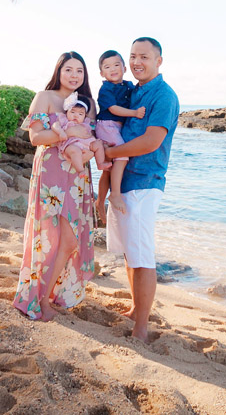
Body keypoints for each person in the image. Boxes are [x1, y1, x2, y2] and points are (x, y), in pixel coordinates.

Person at [104, 38, 179, 342]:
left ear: (159, 61)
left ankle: (142, 327)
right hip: (124, 183)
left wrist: (108, 154)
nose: (137, 62)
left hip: (146, 181)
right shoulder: (132, 92)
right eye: (133, 56)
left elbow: (151, 141)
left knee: (143, 255)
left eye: (144, 57)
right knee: (129, 251)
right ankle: (137, 308)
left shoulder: (164, 95)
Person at [13, 51, 97, 322]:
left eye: (79, 71)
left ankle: (48, 293)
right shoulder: (45, 97)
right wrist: (69, 132)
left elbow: (92, 140)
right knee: (48, 237)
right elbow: (36, 138)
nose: (74, 76)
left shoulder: (89, 104)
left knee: (70, 240)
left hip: (77, 175)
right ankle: (38, 299)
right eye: (69, 70)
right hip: (50, 174)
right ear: (58, 71)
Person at [94, 50, 145, 225]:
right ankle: (114, 194)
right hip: (107, 125)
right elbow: (114, 109)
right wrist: (134, 113)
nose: (113, 69)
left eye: (116, 65)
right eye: (107, 67)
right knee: (122, 155)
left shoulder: (129, 86)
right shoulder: (106, 88)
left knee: (108, 169)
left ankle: (99, 201)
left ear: (124, 68)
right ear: (102, 73)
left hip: (116, 127)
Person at [51, 95, 108, 173]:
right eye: (73, 112)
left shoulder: (85, 123)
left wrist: (93, 140)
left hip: (85, 144)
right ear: (67, 111)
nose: (76, 115)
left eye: (80, 114)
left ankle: (100, 163)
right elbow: (55, 126)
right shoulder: (64, 120)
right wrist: (61, 132)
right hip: (70, 144)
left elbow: (89, 134)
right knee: (75, 151)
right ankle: (80, 170)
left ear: (85, 116)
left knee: (98, 144)